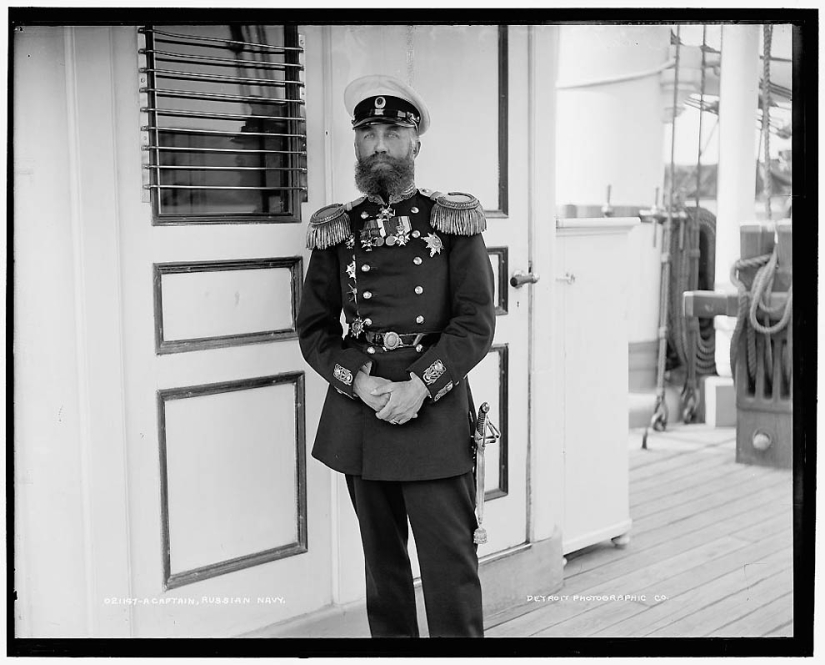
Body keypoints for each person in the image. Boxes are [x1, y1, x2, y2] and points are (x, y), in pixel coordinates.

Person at [296, 74, 496, 638]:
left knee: (449, 570)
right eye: (368, 133)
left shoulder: (451, 220)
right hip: (363, 416)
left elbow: (475, 322)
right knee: (383, 574)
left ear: (415, 144)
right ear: (356, 145)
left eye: (391, 132)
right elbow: (314, 328)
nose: (379, 144)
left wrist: (420, 386)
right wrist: (355, 381)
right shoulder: (339, 230)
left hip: (429, 411)